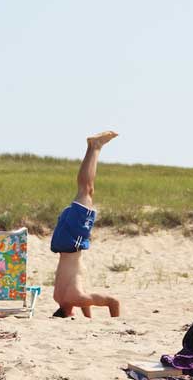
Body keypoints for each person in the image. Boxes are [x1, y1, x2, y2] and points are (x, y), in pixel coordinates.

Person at [51, 131, 121, 318]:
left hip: (71, 242)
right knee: (84, 191)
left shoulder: (76, 298)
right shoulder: (59, 298)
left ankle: (95, 146)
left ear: (68, 314)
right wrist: (87, 318)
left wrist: (116, 320)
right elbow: (83, 302)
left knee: (86, 190)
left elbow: (113, 302)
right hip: (60, 242)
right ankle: (93, 147)